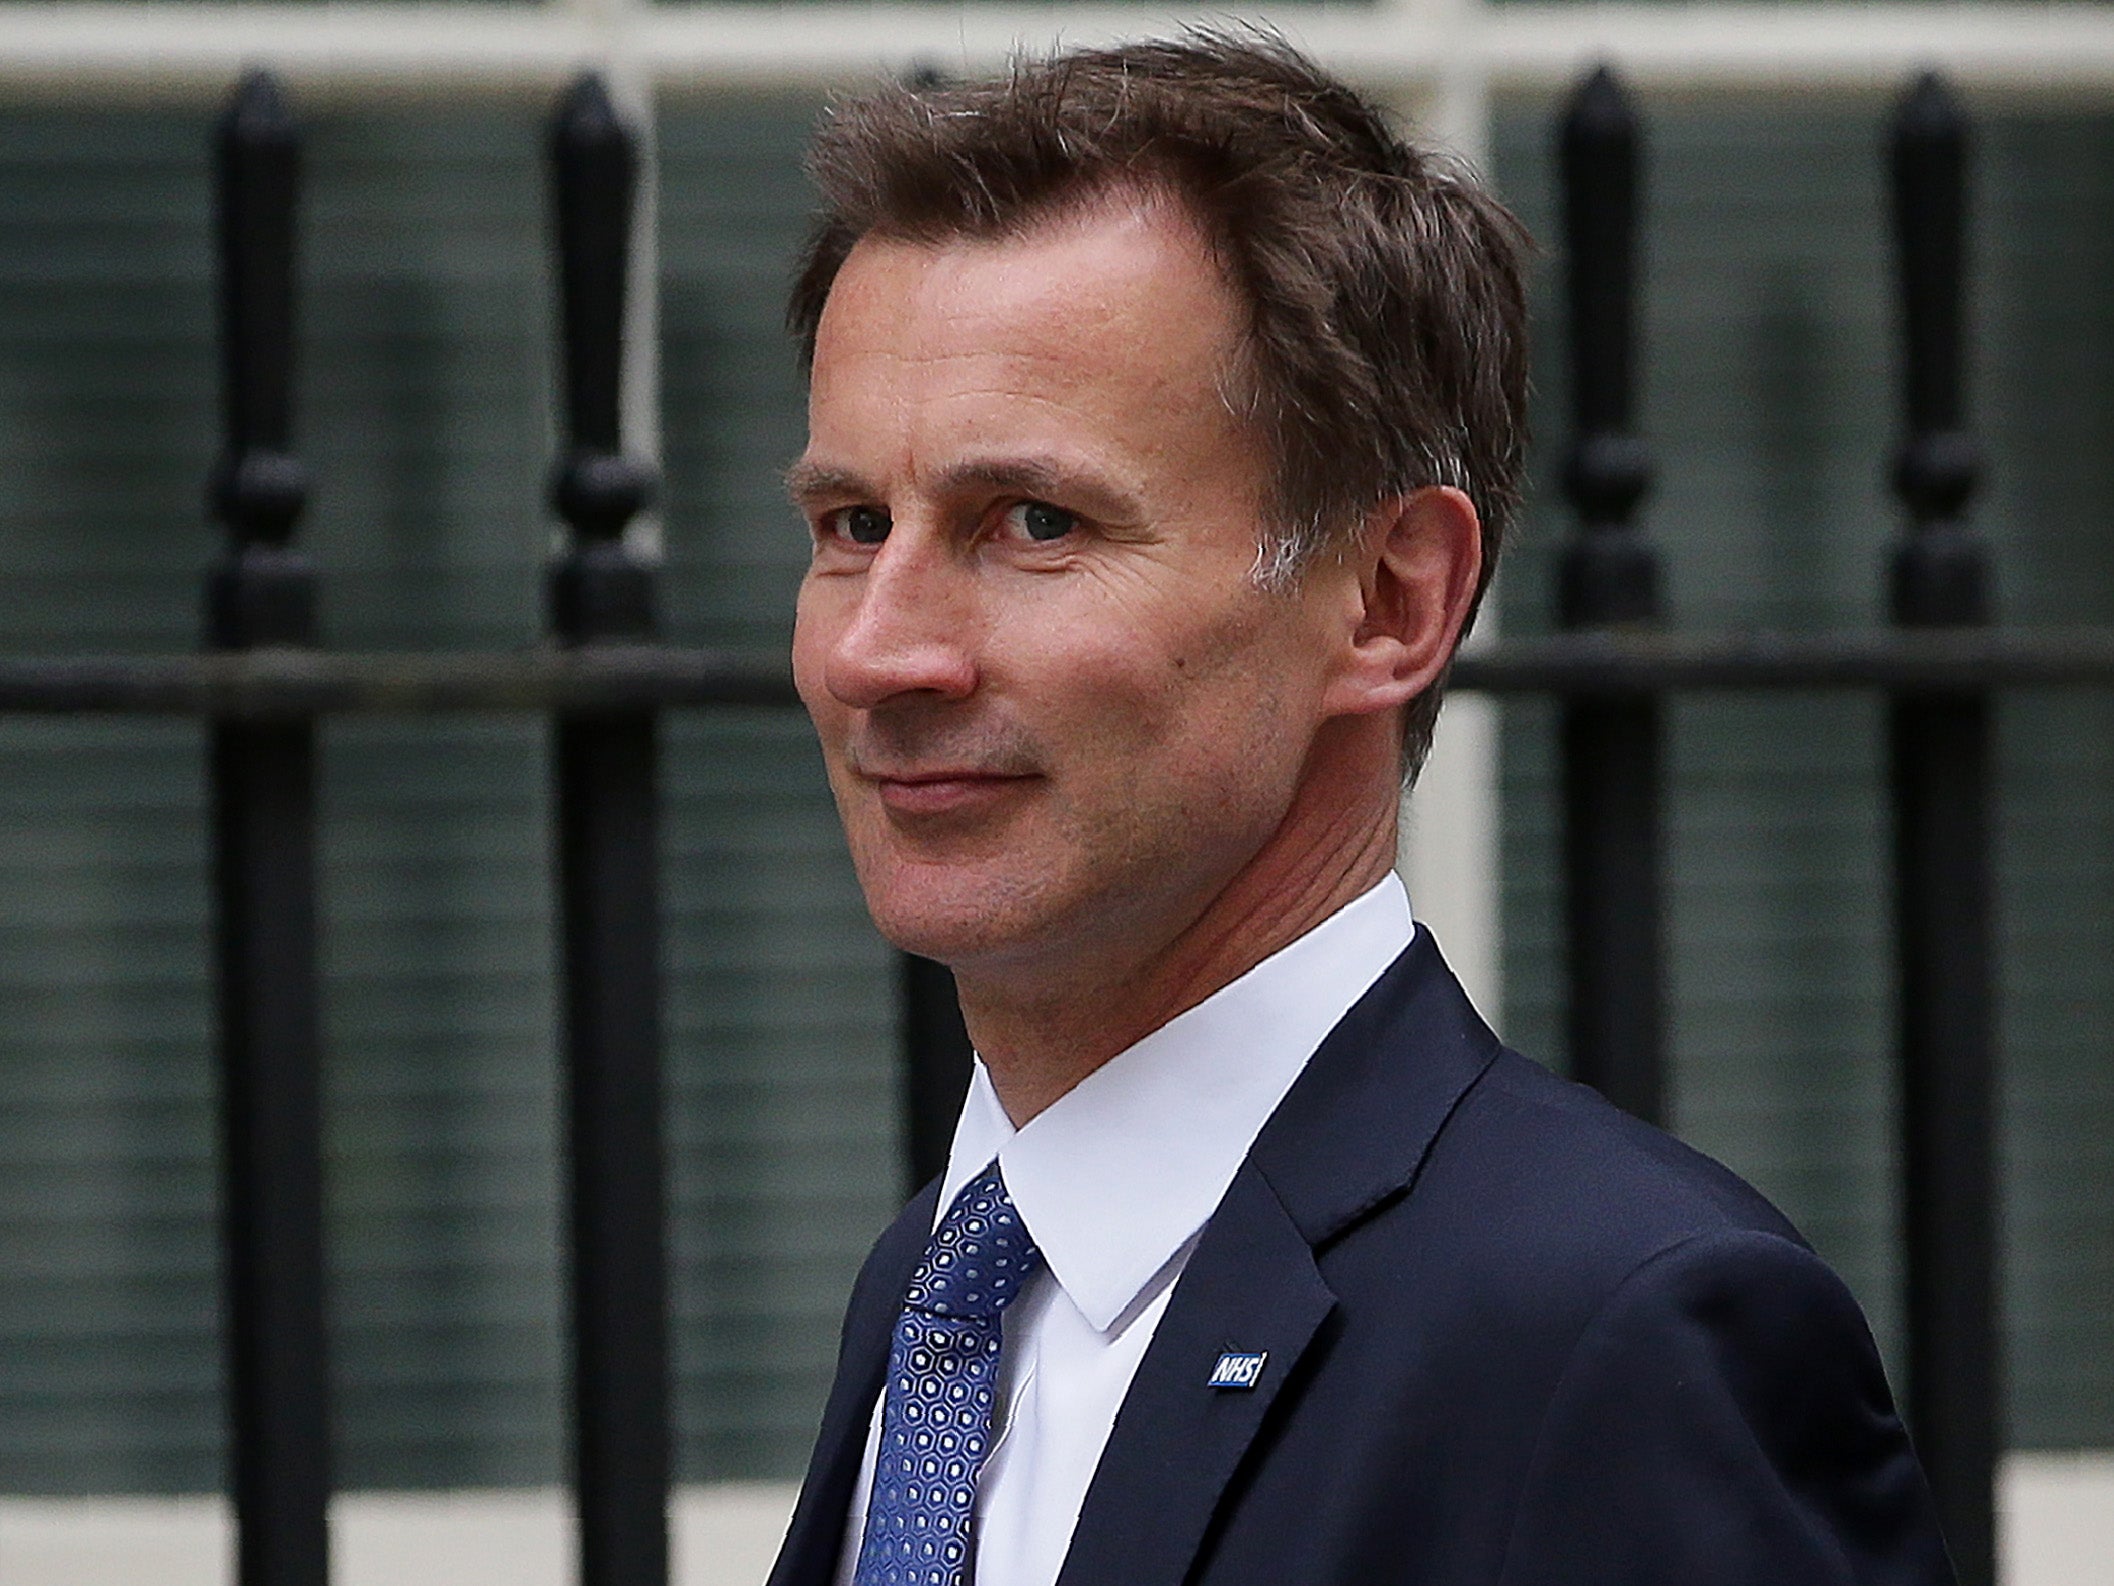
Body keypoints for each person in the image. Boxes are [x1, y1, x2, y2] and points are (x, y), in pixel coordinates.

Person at [768, 33, 1953, 1586]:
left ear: (1391, 600)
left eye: (1033, 521)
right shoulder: (944, 1290)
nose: (878, 649)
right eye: (853, 523)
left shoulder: (1622, 1333)